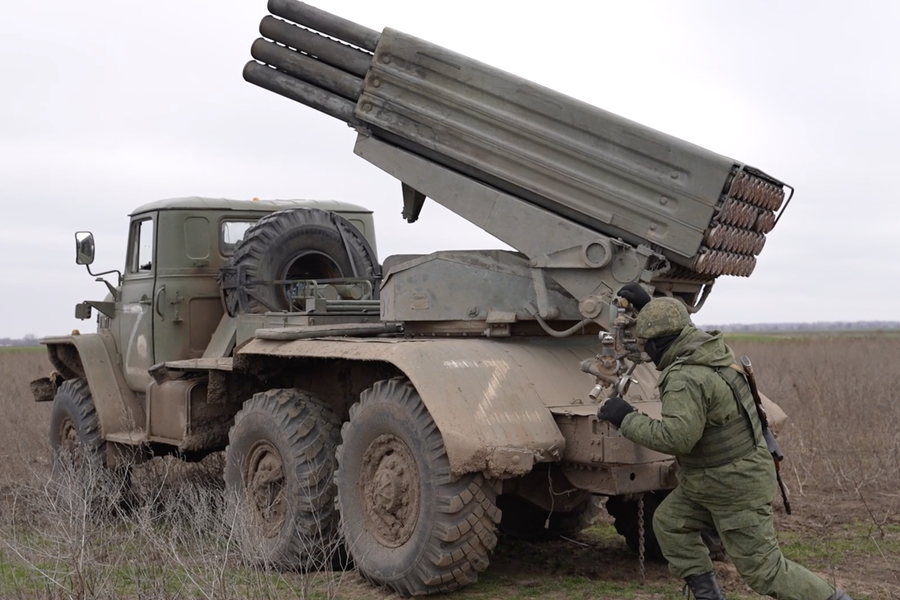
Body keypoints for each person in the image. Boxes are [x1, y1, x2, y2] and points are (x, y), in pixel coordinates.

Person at [597, 294, 852, 600]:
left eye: (646, 343)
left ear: (658, 343)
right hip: (715, 480)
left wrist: (626, 418)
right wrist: (651, 308)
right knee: (670, 523)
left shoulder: (684, 377)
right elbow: (672, 324)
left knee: (765, 571)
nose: (646, 353)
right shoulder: (711, 352)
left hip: (733, 487)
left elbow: (677, 439)